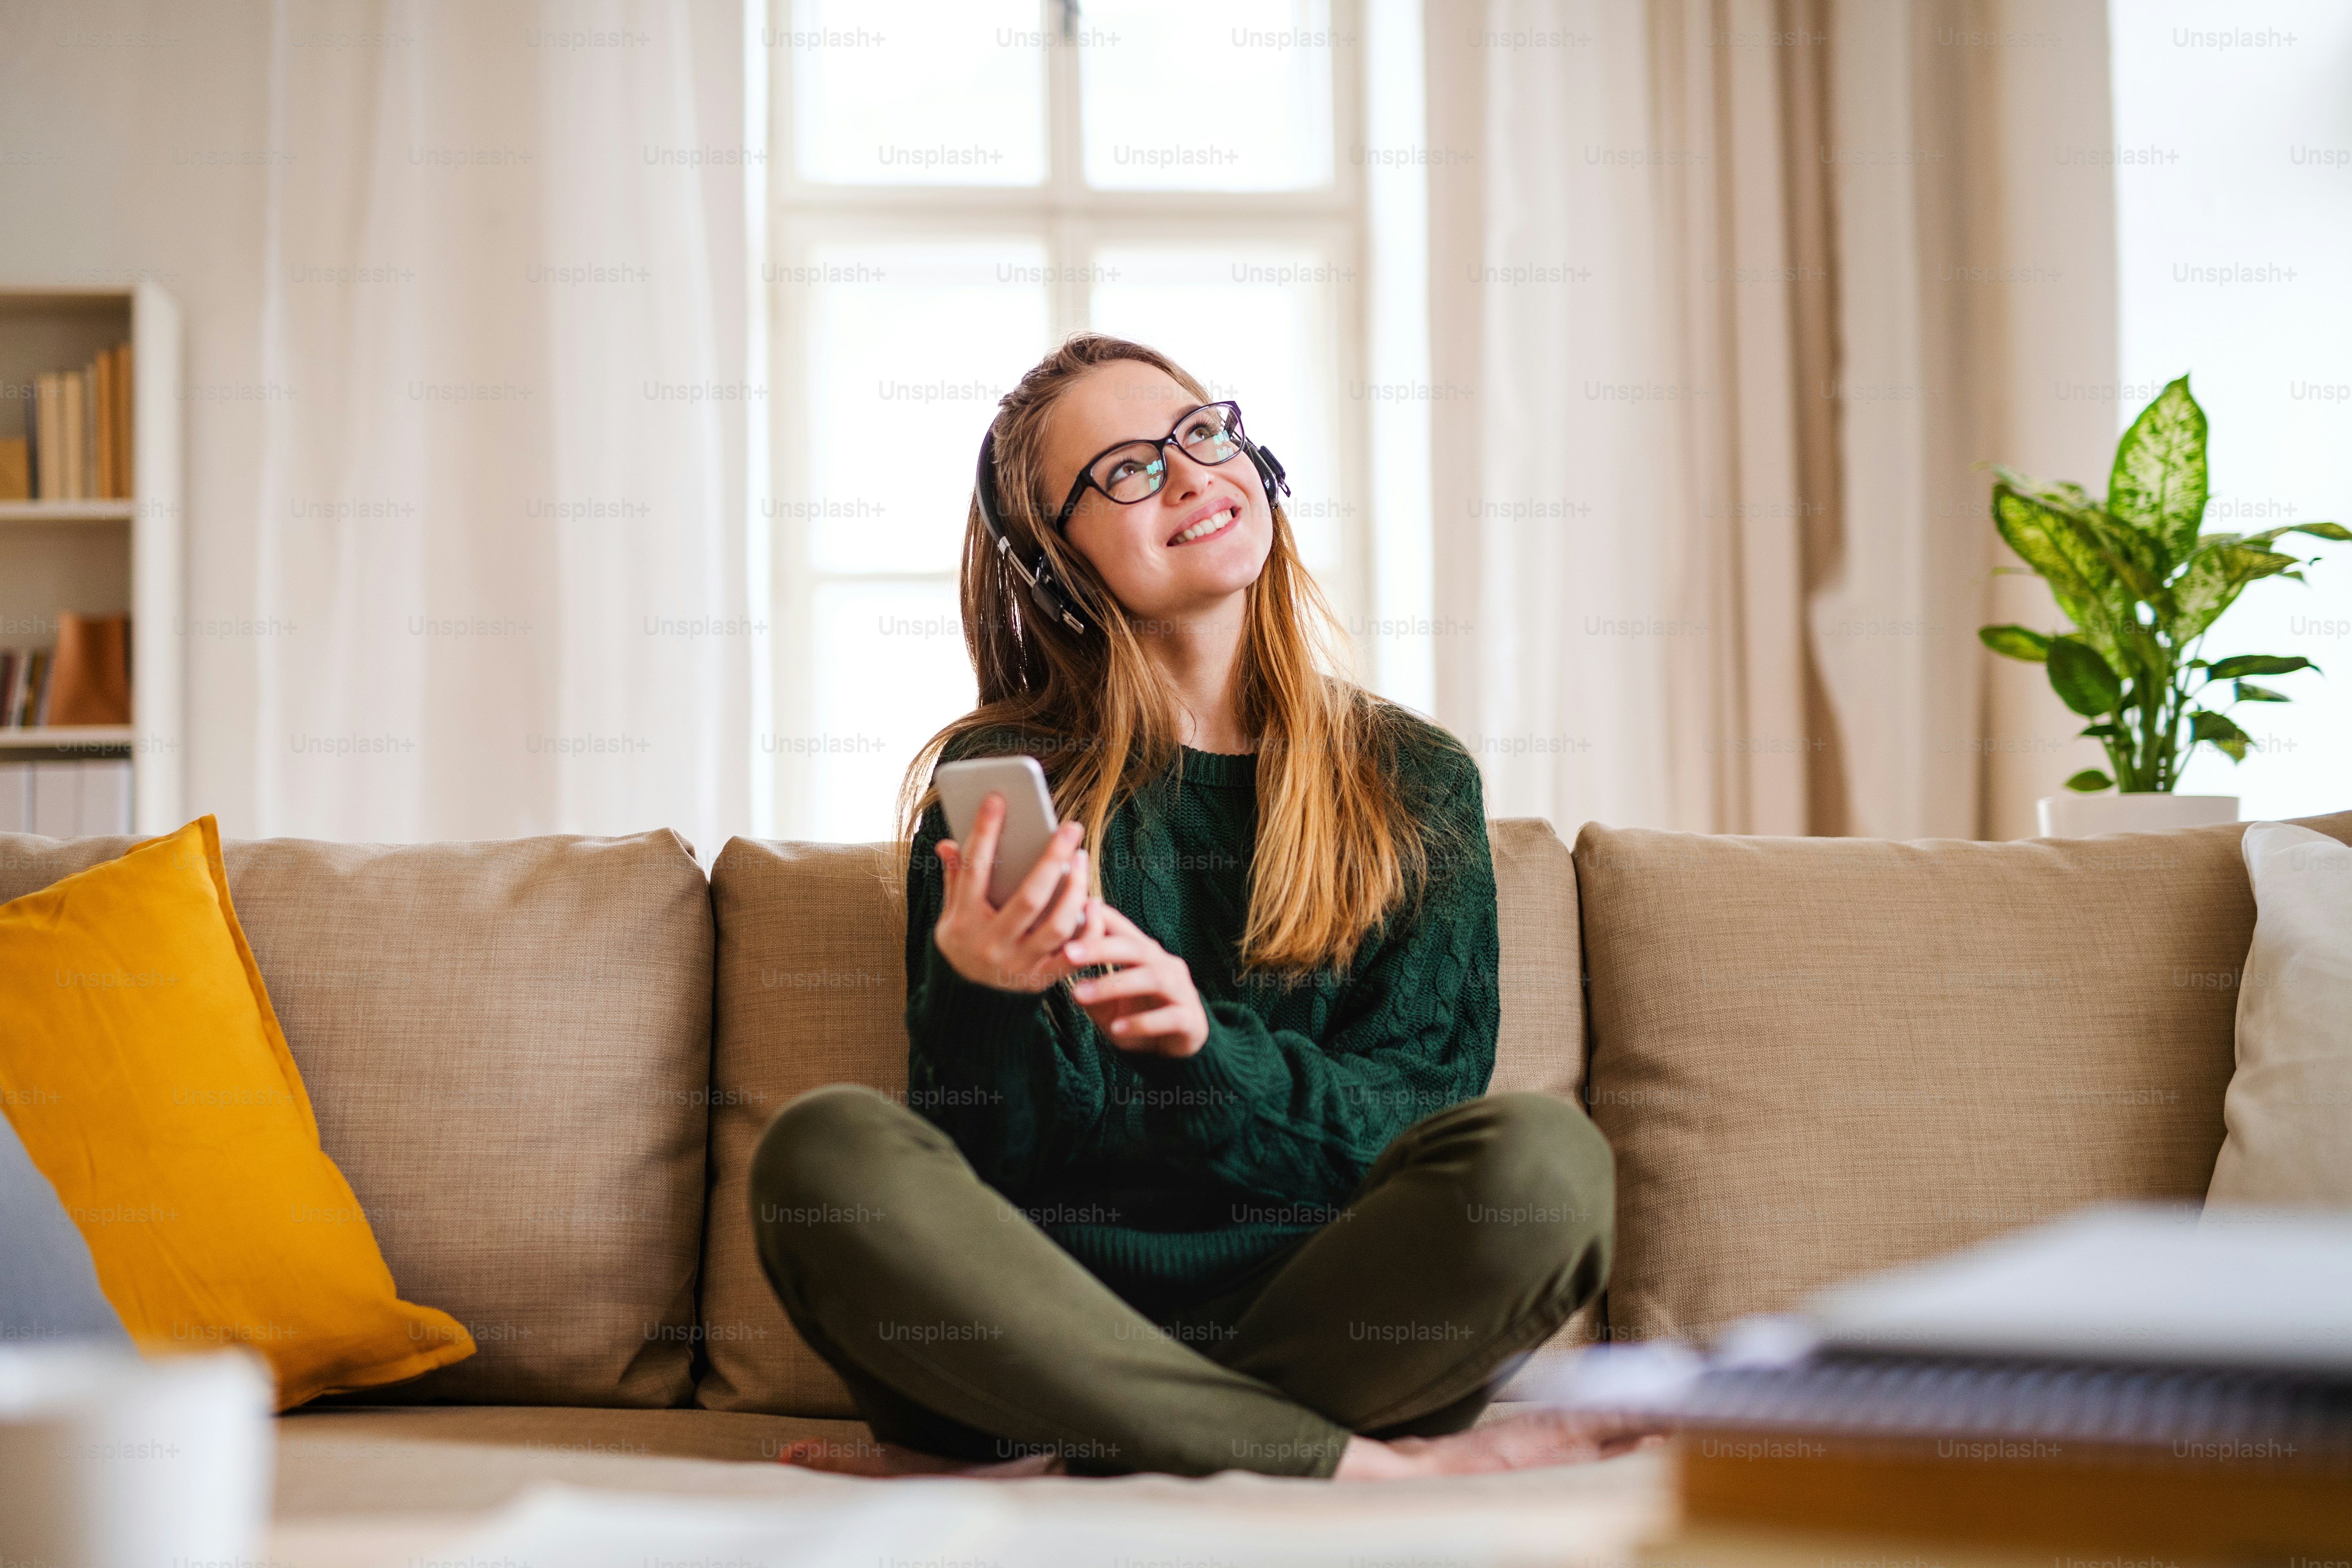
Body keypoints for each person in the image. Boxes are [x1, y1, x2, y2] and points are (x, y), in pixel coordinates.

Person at [750, 334, 1641, 1480]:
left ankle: (1101, 1454)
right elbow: (989, 1170)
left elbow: (1407, 1123)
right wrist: (981, 997)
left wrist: (1204, 1053)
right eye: (1123, 470)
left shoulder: (1414, 778)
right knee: (826, 1153)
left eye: (1200, 434)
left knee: (1545, 1164)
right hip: (1040, 1321)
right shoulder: (1004, 782)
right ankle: (1348, 1467)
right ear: (1057, 560)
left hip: (1317, 1324)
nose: (1186, 474)